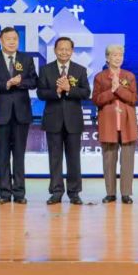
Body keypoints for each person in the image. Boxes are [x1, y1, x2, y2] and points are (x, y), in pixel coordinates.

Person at [0, 26, 37, 204]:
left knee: (19, 155)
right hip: (1, 114)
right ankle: (4, 193)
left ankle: (19, 193)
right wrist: (5, 84)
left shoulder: (26, 59)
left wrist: (20, 83)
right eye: (8, 39)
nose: (12, 42)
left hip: (21, 113)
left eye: (15, 39)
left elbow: (34, 81)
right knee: (3, 154)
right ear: (0, 41)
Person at [37, 36, 90, 205]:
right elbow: (40, 93)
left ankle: (74, 192)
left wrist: (69, 89)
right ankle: (56, 191)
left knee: (74, 158)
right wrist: (57, 91)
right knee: (55, 158)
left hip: (73, 121)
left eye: (67, 49)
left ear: (72, 51)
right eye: (61, 49)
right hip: (53, 120)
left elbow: (86, 93)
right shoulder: (46, 70)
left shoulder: (80, 70)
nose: (64, 52)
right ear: (55, 50)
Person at [92, 44, 138, 204]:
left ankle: (126, 193)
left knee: (127, 161)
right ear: (107, 58)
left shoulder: (129, 76)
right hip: (108, 123)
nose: (118, 58)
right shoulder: (100, 77)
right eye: (114, 55)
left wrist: (118, 89)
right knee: (109, 160)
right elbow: (96, 99)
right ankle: (110, 193)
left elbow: (133, 98)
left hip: (127, 123)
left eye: (120, 55)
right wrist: (111, 91)